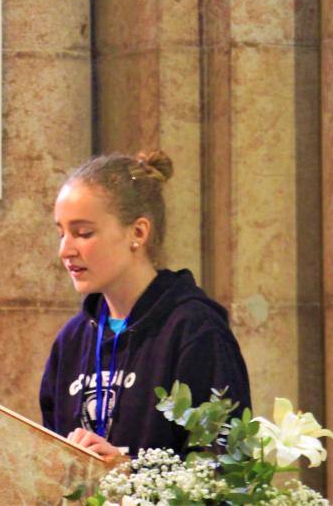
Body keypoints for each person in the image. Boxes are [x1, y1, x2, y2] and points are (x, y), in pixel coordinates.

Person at [40, 151, 251, 462]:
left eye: (83, 233)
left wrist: (131, 475)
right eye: (61, 233)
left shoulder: (194, 329)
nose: (65, 250)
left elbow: (228, 466)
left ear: (138, 232)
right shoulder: (73, 340)